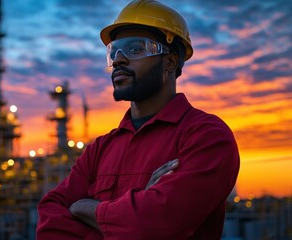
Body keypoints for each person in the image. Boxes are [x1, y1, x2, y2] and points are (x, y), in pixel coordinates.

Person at [36, 0, 240, 239]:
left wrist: (83, 207)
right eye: (114, 51)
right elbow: (48, 223)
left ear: (171, 61)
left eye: (135, 49)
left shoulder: (205, 136)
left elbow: (155, 224)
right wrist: (130, 214)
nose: (119, 60)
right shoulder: (100, 149)